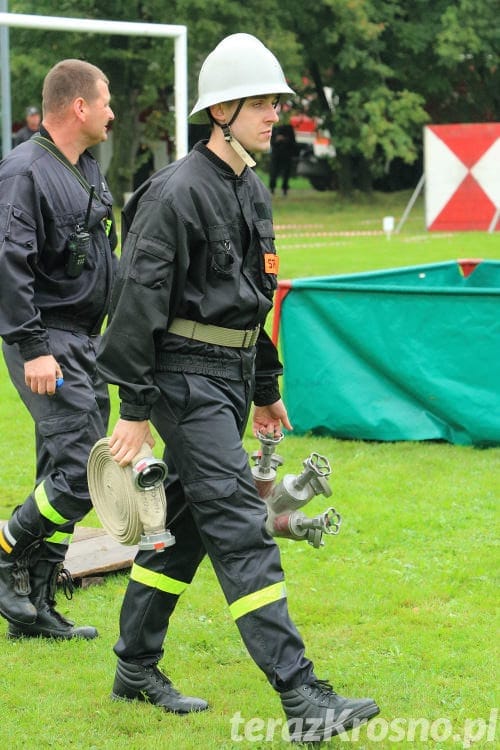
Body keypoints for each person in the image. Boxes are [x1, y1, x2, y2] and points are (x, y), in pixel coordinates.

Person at [97, 34, 379, 742]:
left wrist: (263, 386)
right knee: (243, 529)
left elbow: (253, 296)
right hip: (181, 383)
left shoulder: (249, 186)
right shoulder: (172, 193)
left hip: (226, 381)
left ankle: (134, 666)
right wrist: (133, 410)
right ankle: (301, 697)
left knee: (184, 529)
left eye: (279, 101)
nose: (275, 113)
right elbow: (136, 303)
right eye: (263, 102)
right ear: (221, 110)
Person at [0, 59, 117, 640]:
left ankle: (37, 604)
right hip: (45, 342)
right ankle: (3, 550)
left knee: (63, 467)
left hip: (85, 341)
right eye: (106, 102)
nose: (112, 113)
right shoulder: (23, 171)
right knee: (80, 471)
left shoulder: (88, 169)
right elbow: (8, 263)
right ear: (79, 107)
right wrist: (32, 346)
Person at [269, 109, 297, 196]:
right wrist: (277, 140)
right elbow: (271, 141)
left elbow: (293, 142)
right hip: (276, 153)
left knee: (286, 172)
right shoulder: (275, 128)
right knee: (274, 171)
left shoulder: (289, 128)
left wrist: (284, 139)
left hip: (286, 154)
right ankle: (272, 188)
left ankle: (285, 189)